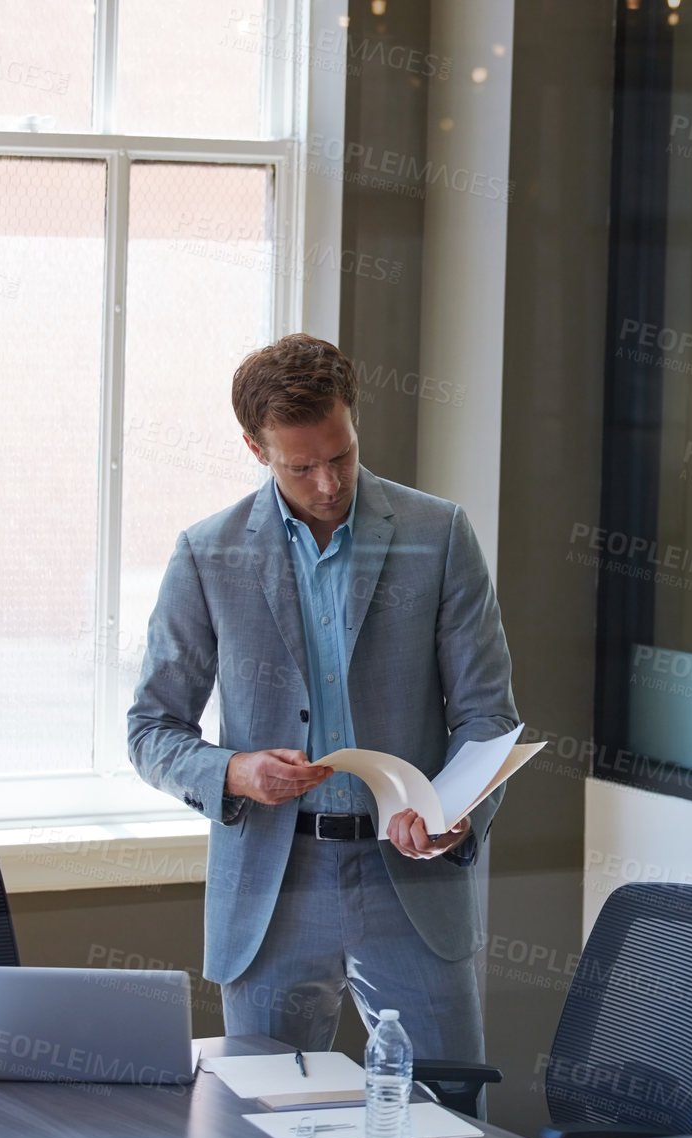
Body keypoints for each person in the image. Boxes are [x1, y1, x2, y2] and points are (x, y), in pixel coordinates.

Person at [128, 333, 516, 1063]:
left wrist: (453, 807)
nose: (329, 483)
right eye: (302, 466)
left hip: (410, 873)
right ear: (255, 447)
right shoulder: (207, 555)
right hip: (276, 881)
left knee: (448, 1116)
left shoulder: (439, 536)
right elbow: (152, 729)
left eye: (340, 455)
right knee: (259, 1121)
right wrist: (236, 773)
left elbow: (486, 712)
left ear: (352, 417)